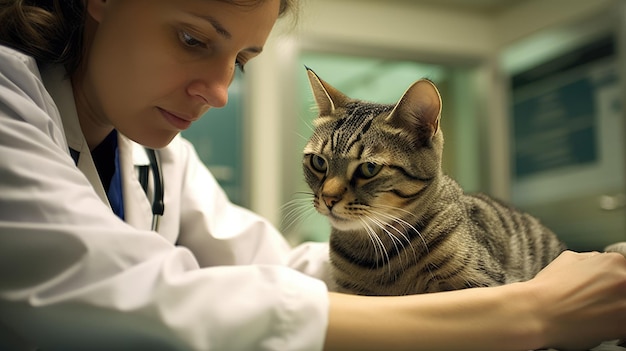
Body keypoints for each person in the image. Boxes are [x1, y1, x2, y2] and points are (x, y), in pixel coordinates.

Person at [0, 0, 625, 350]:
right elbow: (143, 301)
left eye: (240, 61)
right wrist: (535, 310)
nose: (219, 93)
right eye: (193, 39)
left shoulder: (160, 155)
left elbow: (272, 268)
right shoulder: (9, 100)